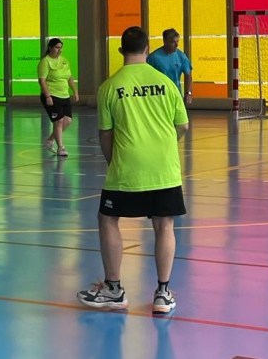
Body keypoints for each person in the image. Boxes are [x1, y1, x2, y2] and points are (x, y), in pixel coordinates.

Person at [77, 26, 189, 314]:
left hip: (127, 167)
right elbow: (183, 125)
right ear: (147, 50)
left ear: (120, 50)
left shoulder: (109, 87)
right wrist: (163, 145)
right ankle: (163, 293)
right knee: (164, 224)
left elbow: (105, 134)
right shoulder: (166, 83)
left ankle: (114, 289)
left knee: (108, 218)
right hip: (164, 168)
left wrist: (114, 161)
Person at [37, 38, 78, 157]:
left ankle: (50, 140)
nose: (59, 50)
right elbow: (42, 81)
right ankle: (61, 147)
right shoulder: (45, 62)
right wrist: (47, 96)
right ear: (50, 48)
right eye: (57, 47)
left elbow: (69, 77)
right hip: (52, 95)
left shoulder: (64, 61)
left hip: (64, 95)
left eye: (61, 48)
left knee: (67, 120)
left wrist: (75, 91)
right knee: (58, 121)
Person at [147, 28, 193, 106]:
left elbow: (188, 75)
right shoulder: (153, 58)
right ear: (165, 42)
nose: (176, 45)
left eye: (177, 41)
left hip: (176, 96)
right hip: (159, 98)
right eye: (173, 42)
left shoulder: (181, 56)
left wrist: (188, 93)